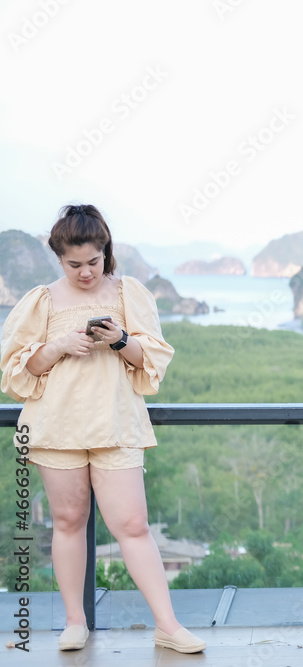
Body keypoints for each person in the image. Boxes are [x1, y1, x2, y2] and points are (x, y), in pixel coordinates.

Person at [0, 205, 206, 654]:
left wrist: (118, 340)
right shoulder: (42, 300)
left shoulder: (128, 293)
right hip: (57, 426)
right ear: (59, 258)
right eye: (75, 264)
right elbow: (16, 371)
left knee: (132, 524)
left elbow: (150, 363)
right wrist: (57, 346)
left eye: (93, 262)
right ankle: (75, 622)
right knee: (69, 521)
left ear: (105, 252)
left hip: (116, 423)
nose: (86, 272)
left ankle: (167, 624)